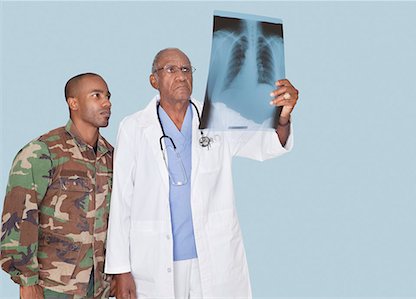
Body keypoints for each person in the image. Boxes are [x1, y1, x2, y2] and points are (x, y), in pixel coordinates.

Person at [105, 48, 298, 299]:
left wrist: (283, 117)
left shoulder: (218, 117)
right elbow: (121, 199)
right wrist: (121, 271)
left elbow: (267, 144)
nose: (181, 76)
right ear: (154, 80)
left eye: (186, 69)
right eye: (171, 69)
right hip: (153, 258)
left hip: (212, 255)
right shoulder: (133, 127)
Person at [0, 73, 114, 299]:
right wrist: (26, 281)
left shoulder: (111, 157)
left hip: (100, 287)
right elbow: (19, 219)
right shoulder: (43, 152)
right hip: (53, 287)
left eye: (108, 96)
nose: (107, 103)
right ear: (73, 103)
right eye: (96, 96)